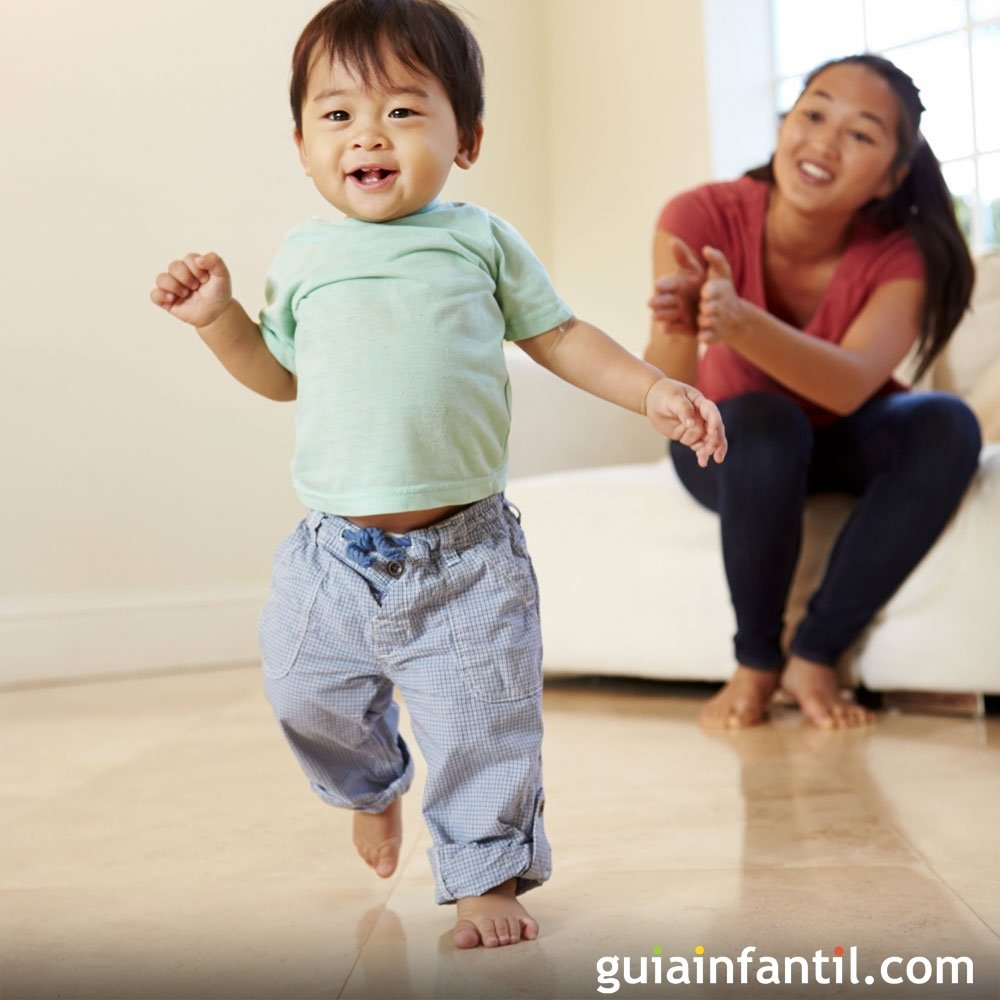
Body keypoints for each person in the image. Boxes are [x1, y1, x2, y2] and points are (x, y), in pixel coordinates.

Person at [150, 0, 726, 951]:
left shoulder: (479, 240)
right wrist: (220, 320)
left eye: (405, 111)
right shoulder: (304, 257)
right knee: (302, 688)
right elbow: (279, 377)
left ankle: (484, 873)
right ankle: (371, 786)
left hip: (465, 552)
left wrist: (654, 388)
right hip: (332, 553)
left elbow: (563, 337)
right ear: (301, 144)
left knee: (484, 721)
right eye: (338, 115)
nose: (368, 134)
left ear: (467, 138)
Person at [645, 53, 980, 732]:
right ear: (786, 123)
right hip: (728, 444)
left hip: (839, 435)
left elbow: (854, 383)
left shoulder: (900, 255)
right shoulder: (700, 213)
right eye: (814, 113)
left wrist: (741, 321)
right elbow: (669, 384)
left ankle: (817, 653)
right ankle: (758, 659)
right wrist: (680, 322)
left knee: (947, 423)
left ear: (891, 176)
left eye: (861, 133)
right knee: (767, 424)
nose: (825, 140)